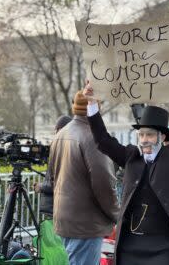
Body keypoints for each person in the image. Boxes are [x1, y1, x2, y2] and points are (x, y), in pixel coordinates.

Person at [83, 71, 169, 265]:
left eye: (149, 135)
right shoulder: (131, 156)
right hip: (132, 245)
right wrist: (92, 104)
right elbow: (102, 140)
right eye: (141, 135)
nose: (144, 140)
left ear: (162, 137)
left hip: (165, 246)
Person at [49, 90, 119, 265]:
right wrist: (116, 213)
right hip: (86, 223)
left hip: (65, 218)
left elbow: (52, 177)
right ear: (95, 108)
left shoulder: (60, 134)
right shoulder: (92, 137)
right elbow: (103, 183)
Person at [34, 115, 72, 216]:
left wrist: (41, 187)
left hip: (55, 208)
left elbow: (60, 183)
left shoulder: (62, 151)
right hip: (59, 207)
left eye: (56, 129)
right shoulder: (69, 149)